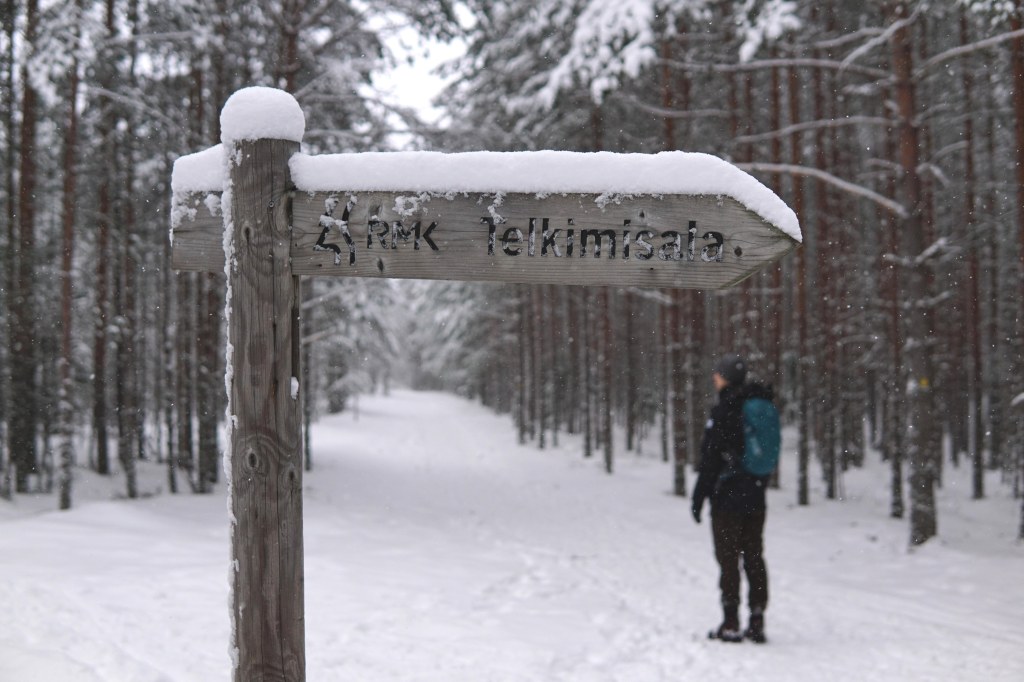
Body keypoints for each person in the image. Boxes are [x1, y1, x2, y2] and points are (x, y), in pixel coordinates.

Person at [691, 353, 775, 644]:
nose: (714, 378)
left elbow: (710, 458)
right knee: (754, 556)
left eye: (718, 373)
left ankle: (730, 622)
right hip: (755, 495)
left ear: (726, 377)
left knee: (728, 560)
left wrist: (699, 495)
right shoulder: (759, 405)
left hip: (727, 498)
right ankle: (757, 619)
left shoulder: (725, 409)